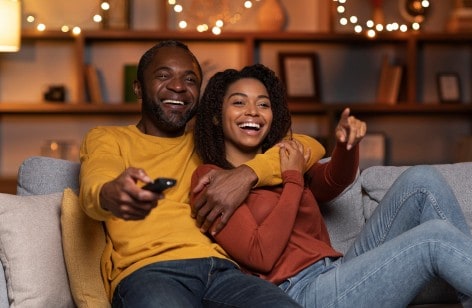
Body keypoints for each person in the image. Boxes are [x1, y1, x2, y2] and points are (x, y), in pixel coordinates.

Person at [191, 63, 472, 308]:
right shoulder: (210, 180)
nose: (253, 111)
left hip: (339, 268)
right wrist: (292, 177)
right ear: (216, 116)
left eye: (263, 103)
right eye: (239, 102)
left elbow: (333, 181)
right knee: (433, 240)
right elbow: (261, 256)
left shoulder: (283, 157)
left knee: (421, 180)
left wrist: (344, 146)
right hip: (303, 294)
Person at [78, 40, 327, 307]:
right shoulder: (108, 138)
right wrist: (111, 194)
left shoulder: (208, 141)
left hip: (223, 271)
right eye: (163, 75)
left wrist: (247, 174)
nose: (178, 86)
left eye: (190, 79)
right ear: (138, 88)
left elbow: (307, 146)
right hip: (151, 271)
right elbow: (97, 180)